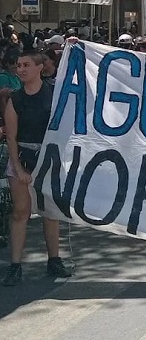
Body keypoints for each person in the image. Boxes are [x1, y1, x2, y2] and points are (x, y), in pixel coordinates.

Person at [3, 51, 71, 286]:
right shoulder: (15, 99)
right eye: (19, 65)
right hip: (22, 157)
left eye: (26, 65)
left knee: (51, 212)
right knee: (20, 212)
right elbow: (11, 137)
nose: (21, 69)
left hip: (48, 159)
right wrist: (19, 169)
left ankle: (54, 260)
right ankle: (15, 266)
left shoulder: (54, 94)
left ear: (40, 67)